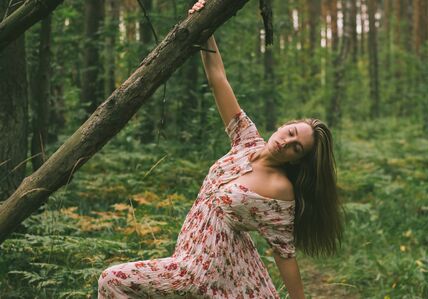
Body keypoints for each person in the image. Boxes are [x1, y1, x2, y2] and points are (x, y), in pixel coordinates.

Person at [98, 1, 343, 298]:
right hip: (187, 256)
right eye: (291, 133)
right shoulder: (247, 141)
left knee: (112, 279)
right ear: (285, 124)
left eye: (296, 148)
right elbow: (218, 80)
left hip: (198, 272)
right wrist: (204, 22)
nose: (286, 142)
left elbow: (285, 254)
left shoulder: (280, 189)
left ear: (298, 160)